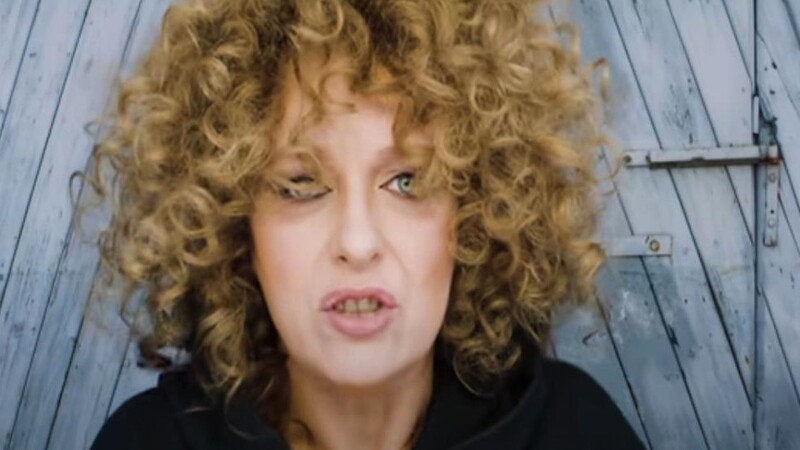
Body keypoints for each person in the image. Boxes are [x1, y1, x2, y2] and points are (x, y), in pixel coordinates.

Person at [89, 0, 645, 448]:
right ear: (234, 226)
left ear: (477, 216)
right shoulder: (144, 442)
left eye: (409, 181)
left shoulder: (577, 431)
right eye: (300, 185)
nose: (357, 243)